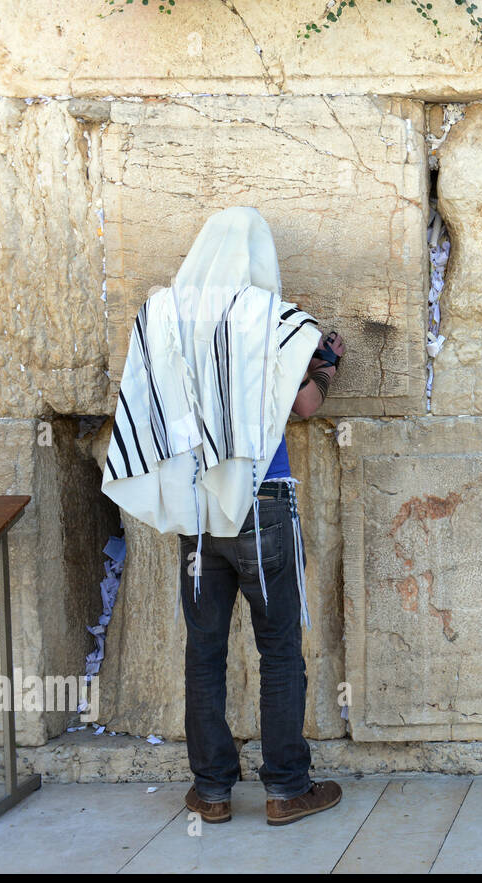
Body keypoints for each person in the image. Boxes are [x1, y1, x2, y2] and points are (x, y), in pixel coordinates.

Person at [102, 207, 347, 826]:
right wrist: (329, 362)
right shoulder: (274, 319)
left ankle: (210, 791)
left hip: (197, 510)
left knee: (204, 650)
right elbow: (305, 406)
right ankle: (287, 788)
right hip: (262, 502)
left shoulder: (161, 313)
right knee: (280, 651)